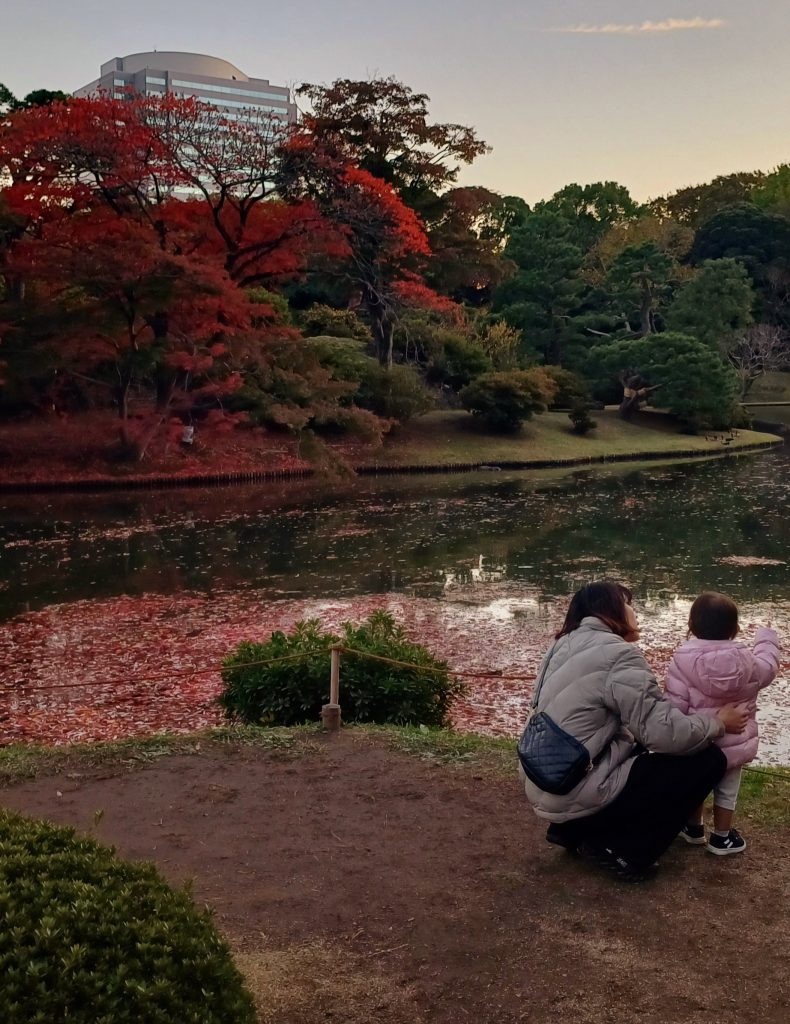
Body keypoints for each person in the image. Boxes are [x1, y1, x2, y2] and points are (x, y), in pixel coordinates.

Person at [520, 581, 749, 883]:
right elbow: (665, 734)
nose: (634, 611)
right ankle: (624, 851)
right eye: (628, 604)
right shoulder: (619, 656)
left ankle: (571, 828)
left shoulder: (562, 643)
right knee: (708, 759)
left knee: (639, 744)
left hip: (545, 780)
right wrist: (718, 723)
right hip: (575, 786)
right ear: (610, 611)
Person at [665, 592, 780, 856]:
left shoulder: (682, 661)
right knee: (727, 789)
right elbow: (769, 667)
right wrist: (766, 638)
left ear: (691, 625)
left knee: (697, 783)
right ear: (735, 629)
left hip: (699, 739)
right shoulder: (748, 661)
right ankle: (722, 838)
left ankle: (693, 829)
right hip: (735, 742)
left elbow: (675, 704)